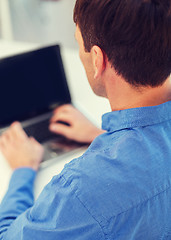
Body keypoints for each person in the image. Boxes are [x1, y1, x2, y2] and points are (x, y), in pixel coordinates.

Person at [0, 0, 171, 239]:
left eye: (79, 44)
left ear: (97, 59)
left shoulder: (82, 192)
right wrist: (102, 137)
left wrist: (23, 169)